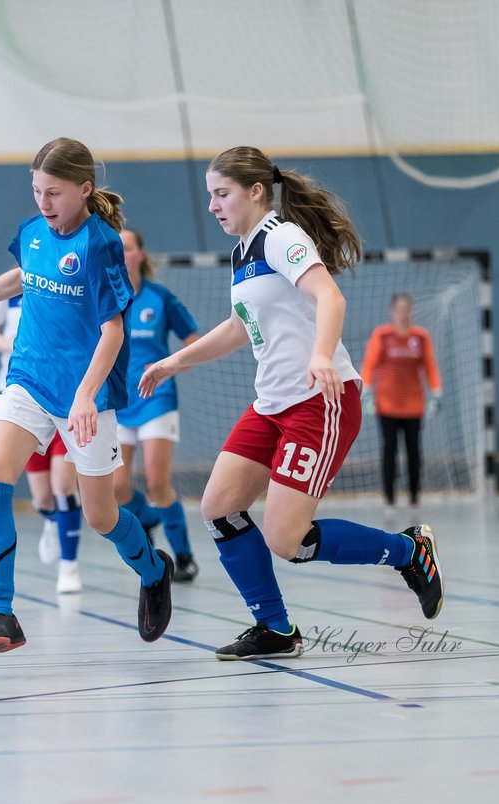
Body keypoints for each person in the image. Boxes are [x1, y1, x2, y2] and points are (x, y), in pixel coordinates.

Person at [139, 146, 444, 661]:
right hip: (272, 403)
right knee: (219, 507)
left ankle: (409, 551)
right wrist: (176, 362)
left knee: (289, 540)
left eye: (222, 194)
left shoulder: (281, 237)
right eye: (209, 195)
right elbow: (239, 327)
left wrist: (322, 355)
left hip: (318, 399)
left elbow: (331, 297)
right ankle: (275, 628)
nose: (213, 206)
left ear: (255, 191)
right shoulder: (242, 253)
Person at [0, 137, 175, 656]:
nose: (43, 202)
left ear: (84, 189)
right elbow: (24, 275)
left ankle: (153, 569)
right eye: (36, 190)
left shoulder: (101, 245)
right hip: (28, 379)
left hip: (85, 396)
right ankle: (1, 613)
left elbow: (112, 333)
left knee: (100, 516)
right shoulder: (33, 231)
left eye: (53, 192)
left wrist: (84, 397)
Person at [0, 295, 84, 592]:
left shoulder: (62, 281)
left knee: (64, 485)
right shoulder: (9, 288)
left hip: (64, 396)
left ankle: (69, 566)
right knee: (42, 498)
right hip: (21, 397)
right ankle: (51, 520)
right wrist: (9, 343)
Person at [112, 228, 202, 582]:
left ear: (140, 254)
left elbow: (195, 342)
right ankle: (147, 519)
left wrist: (171, 366)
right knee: (116, 488)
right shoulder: (106, 299)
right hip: (119, 401)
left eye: (128, 248)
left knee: (156, 480)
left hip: (157, 400)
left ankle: (183, 557)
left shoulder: (160, 298)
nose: (121, 254)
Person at [360, 294, 443, 508]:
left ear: (411, 312)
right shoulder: (382, 335)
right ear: (392, 312)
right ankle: (389, 498)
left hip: (413, 406)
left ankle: (415, 497)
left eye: (406, 309)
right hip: (386, 405)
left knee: (414, 451)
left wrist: (436, 392)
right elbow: (370, 364)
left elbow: (430, 366)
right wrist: (366, 391)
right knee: (389, 450)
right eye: (399, 309)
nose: (403, 314)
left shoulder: (421, 337)